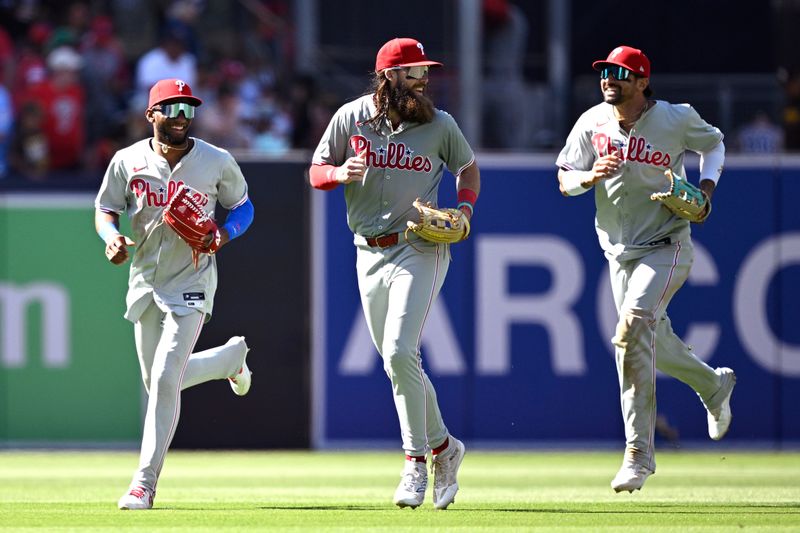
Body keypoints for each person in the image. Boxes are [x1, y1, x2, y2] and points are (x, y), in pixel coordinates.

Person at [555, 46, 737, 493]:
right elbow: (564, 176)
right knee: (649, 339)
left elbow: (713, 143)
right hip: (619, 252)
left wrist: (706, 188)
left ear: (641, 82)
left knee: (632, 329)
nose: (609, 79)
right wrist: (589, 176)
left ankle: (638, 454)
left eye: (621, 73)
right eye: (605, 72)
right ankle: (713, 385)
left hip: (668, 243)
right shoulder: (592, 122)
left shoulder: (675, 118)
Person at [309, 37, 480, 510]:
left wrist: (464, 209)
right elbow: (316, 170)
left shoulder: (439, 124)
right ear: (389, 76)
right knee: (394, 361)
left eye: (426, 71)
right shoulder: (351, 117)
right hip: (368, 250)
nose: (424, 80)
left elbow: (467, 169)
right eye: (414, 71)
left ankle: (415, 462)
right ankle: (446, 448)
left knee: (403, 350)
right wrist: (340, 173)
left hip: (418, 245)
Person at [94, 78, 255, 510]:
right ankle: (226, 361)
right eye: (173, 109)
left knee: (166, 379)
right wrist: (110, 237)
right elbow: (106, 208)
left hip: (193, 279)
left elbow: (244, 206)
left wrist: (223, 233)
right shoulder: (128, 161)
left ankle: (143, 484)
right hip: (145, 279)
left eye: (189, 109)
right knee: (156, 382)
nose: (183, 117)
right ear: (152, 115)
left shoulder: (215, 160)